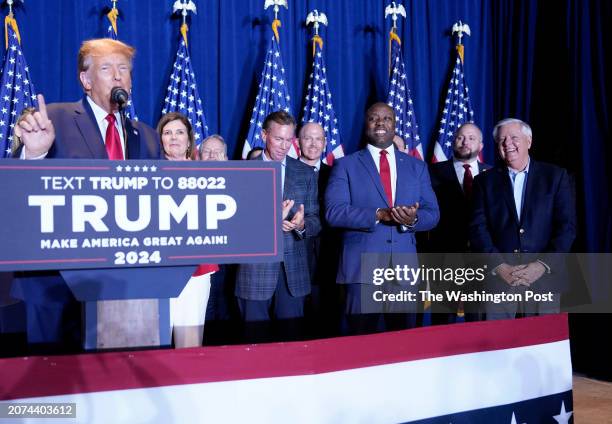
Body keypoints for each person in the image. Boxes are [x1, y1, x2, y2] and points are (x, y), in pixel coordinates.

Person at [12, 38, 163, 349]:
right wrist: (35, 155)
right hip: (55, 283)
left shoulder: (146, 136)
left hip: (124, 287)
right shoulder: (54, 118)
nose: (119, 76)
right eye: (107, 68)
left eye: (124, 69)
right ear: (85, 79)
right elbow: (18, 192)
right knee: (50, 383)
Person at [325, 102, 439, 335]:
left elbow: (433, 214)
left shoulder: (417, 167)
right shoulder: (346, 165)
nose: (380, 123)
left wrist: (412, 220)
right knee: (360, 345)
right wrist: (377, 215)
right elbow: (333, 211)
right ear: (365, 125)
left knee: (403, 346)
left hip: (404, 271)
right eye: (374, 118)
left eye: (387, 118)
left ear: (395, 125)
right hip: (361, 269)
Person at [470, 118, 576, 319]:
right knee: (497, 346)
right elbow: (477, 229)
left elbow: (566, 228)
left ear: (529, 141)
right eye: (502, 140)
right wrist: (499, 266)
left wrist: (541, 266)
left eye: (514, 138)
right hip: (499, 280)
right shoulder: (484, 181)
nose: (507, 144)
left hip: (545, 279)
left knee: (542, 346)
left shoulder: (555, 176)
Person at [236, 111, 320, 343]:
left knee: (292, 345)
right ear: (264, 135)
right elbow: (234, 225)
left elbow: (316, 220)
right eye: (278, 139)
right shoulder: (242, 172)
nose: (284, 146)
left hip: (293, 274)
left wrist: (302, 224)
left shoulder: (305, 173)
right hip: (255, 273)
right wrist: (270, 221)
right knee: (254, 344)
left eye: (288, 140)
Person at [156, 113, 218, 347]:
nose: (174, 138)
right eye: (167, 132)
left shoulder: (207, 174)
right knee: (158, 343)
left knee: (189, 345)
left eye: (179, 132)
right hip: (158, 270)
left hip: (197, 269)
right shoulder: (147, 172)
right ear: (160, 139)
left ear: (189, 140)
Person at [426, 123, 491, 323]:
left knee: (479, 320)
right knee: (443, 321)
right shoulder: (431, 172)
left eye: (471, 138)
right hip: (445, 258)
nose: (465, 142)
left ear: (481, 145)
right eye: (461, 137)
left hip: (483, 259)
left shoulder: (492, 175)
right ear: (453, 142)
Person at [298, 122, 341, 337]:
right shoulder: (285, 172)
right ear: (298, 142)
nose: (313, 144)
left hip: (328, 257)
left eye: (318, 139)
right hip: (295, 255)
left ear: (325, 143)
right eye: (308, 138)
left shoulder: (337, 174)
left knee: (327, 322)